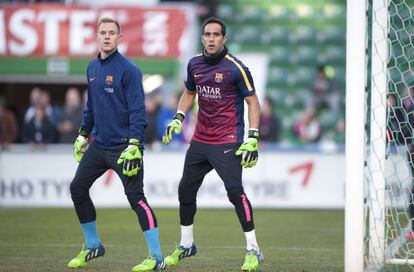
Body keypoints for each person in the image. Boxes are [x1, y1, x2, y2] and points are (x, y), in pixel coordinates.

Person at [161, 17, 264, 271]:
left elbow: (253, 102)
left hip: (228, 140)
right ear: (202, 37)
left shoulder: (235, 68)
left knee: (234, 191)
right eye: (207, 34)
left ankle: (253, 249)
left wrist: (252, 137)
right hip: (200, 139)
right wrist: (178, 117)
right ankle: (187, 244)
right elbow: (189, 92)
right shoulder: (194, 63)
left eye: (216, 35)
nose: (211, 38)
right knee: (185, 191)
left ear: (224, 39)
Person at [67, 17, 165, 271]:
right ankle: (93, 245)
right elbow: (91, 107)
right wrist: (82, 134)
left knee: (136, 199)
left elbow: (138, 112)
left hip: (125, 148)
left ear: (119, 38)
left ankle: (156, 257)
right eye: (103, 32)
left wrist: (135, 145)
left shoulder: (129, 70)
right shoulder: (91, 68)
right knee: (77, 188)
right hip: (100, 146)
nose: (107, 36)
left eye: (112, 33)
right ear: (97, 36)